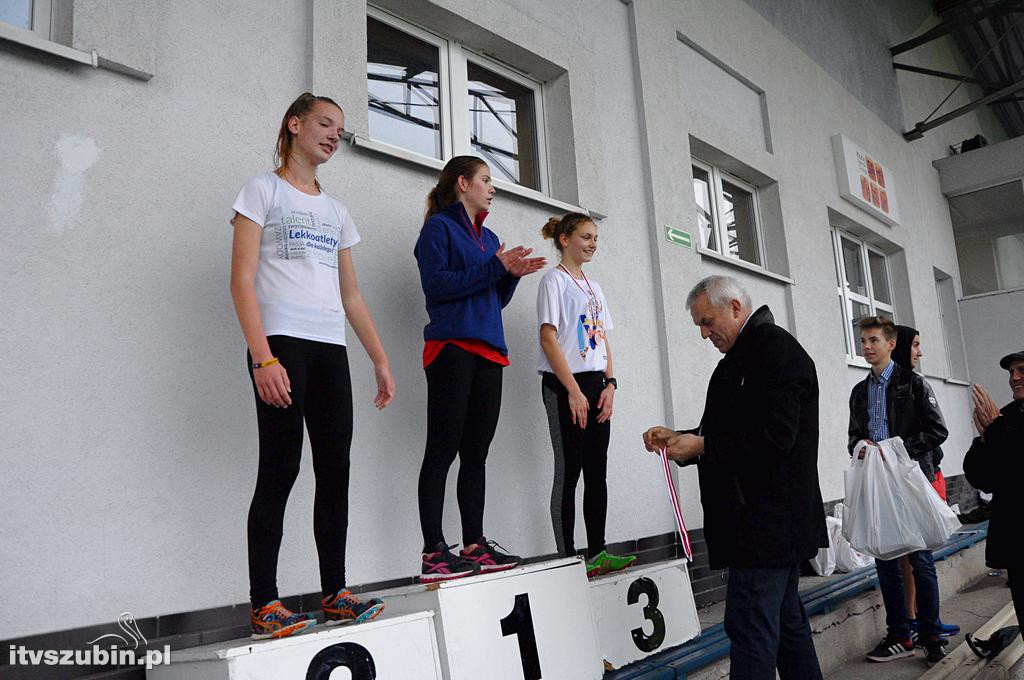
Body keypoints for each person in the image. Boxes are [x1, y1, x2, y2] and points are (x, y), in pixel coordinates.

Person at [230, 93, 395, 639]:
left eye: (340, 130)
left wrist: (378, 358)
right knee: (280, 468)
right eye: (325, 124)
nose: (334, 135)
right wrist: (263, 357)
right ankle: (264, 602)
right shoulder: (263, 189)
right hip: (281, 344)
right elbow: (242, 280)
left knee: (336, 470)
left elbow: (351, 296)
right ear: (294, 125)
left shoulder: (337, 210)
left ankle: (335, 592)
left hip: (330, 351)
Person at [643, 275, 826, 680]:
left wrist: (703, 446)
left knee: (750, 626)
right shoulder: (740, 362)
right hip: (758, 522)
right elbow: (732, 430)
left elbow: (775, 438)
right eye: (700, 326)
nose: (705, 334)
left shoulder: (777, 354)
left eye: (708, 322)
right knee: (785, 624)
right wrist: (683, 439)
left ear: (735, 308)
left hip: (769, 522)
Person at [414, 155, 545, 582]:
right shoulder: (439, 228)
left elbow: (493, 300)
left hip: (490, 351)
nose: (492, 187)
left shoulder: (491, 239)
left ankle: (475, 543)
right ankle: (433, 550)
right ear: (462, 183)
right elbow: (437, 286)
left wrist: (511, 276)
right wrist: (496, 268)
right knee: (442, 448)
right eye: (486, 180)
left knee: (477, 453)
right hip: (452, 346)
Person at [537, 213, 636, 577]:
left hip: (596, 385)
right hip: (565, 386)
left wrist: (611, 385)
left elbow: (602, 339)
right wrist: (573, 391)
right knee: (570, 471)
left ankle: (598, 552)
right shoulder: (554, 281)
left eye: (596, 237)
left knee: (598, 472)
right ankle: (567, 558)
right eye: (585, 236)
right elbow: (548, 338)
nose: (593, 243)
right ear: (565, 239)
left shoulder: (594, 287)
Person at [848, 317, 948, 663]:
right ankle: (899, 634)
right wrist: (862, 447)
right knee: (885, 559)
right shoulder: (860, 392)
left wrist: (895, 448)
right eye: (862, 341)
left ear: (891, 344)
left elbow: (937, 431)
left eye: (873, 340)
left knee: (920, 559)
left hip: (909, 478)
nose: (867, 347)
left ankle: (931, 635)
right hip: (878, 485)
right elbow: (853, 438)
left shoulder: (913, 384)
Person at [891, 325, 960, 644]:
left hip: (926, 474)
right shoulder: (898, 387)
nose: (919, 352)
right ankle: (918, 620)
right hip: (913, 479)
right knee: (916, 554)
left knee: (918, 552)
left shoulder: (909, 385)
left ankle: (918, 618)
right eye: (915, 345)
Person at [964, 350, 1024, 630]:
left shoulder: (1000, 421)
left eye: (1021, 370)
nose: (1014, 378)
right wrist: (984, 440)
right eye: (1011, 372)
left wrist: (996, 431)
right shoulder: (1005, 416)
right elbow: (982, 478)